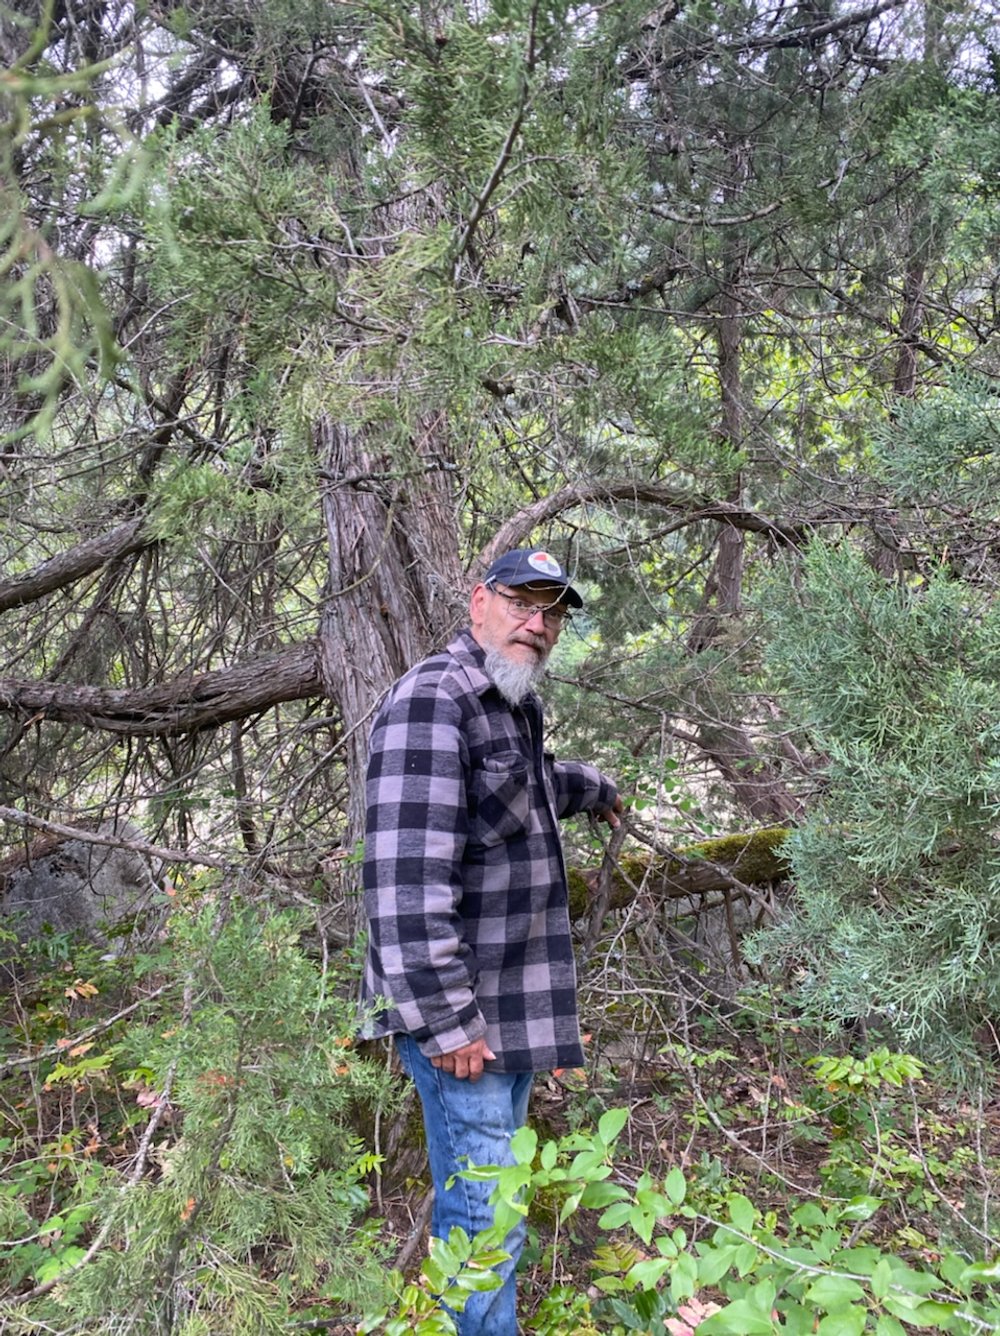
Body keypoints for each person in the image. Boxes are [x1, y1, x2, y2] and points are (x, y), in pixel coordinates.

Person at [361, 547, 621, 1336]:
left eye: (553, 614)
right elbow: (402, 884)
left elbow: (521, 787)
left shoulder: (505, 703)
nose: (537, 625)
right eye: (521, 604)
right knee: (488, 1223)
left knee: (483, 1211)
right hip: (463, 1025)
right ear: (480, 603)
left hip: (505, 1014)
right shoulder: (431, 702)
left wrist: (596, 788)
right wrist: (446, 1022)